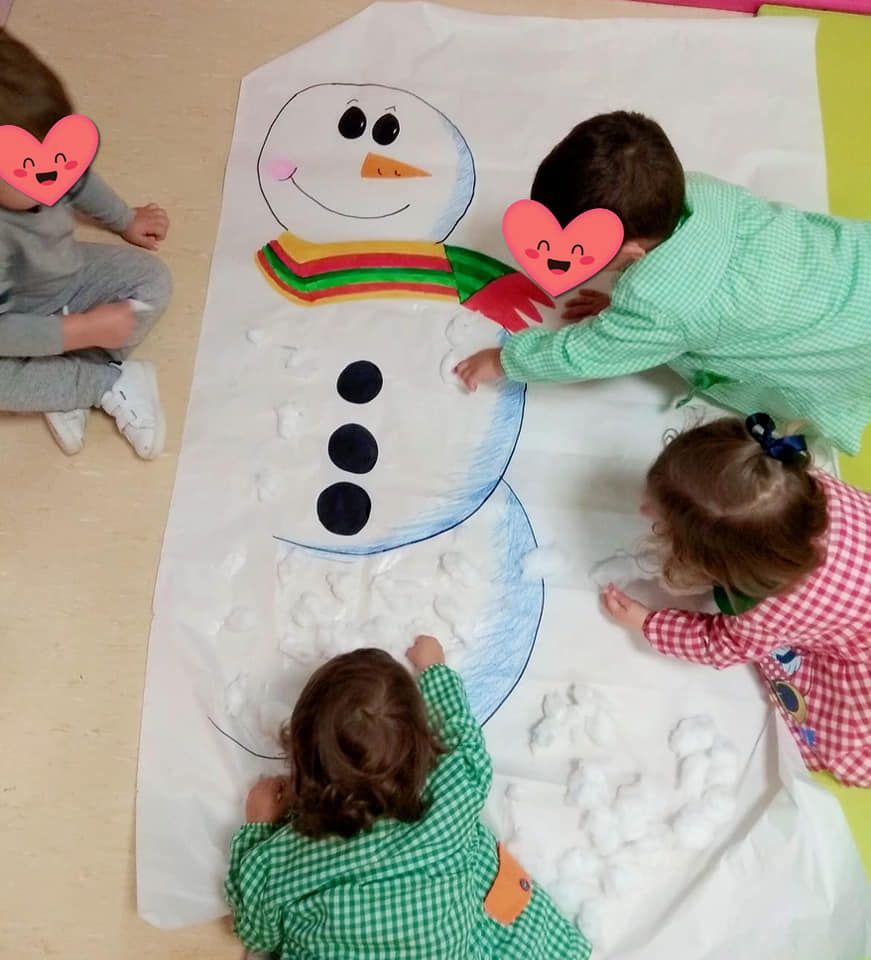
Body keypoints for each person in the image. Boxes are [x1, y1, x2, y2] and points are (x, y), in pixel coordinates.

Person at [454, 111, 871, 455]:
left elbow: (583, 354)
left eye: (580, 253)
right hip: (848, 262)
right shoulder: (701, 191)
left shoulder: (658, 307)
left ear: (632, 253)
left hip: (845, 336)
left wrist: (505, 360)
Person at [225, 638, 591, 960]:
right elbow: (463, 739)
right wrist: (435, 672)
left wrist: (258, 827)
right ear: (423, 742)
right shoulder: (453, 789)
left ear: (302, 769)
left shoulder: (286, 858)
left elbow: (256, 930)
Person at [601, 413, 871, 787]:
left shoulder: (770, 611)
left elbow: (719, 645)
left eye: (658, 518)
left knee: (837, 731)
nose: (644, 510)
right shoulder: (797, 486)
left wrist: (649, 623)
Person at [0, 29, 171, 459]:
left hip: (66, 278)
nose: (56, 177)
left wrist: (125, 220)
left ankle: (61, 382)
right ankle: (99, 383)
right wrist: (78, 331)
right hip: (12, 319)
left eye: (59, 157)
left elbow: (82, 182)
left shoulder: (45, 166)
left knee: (153, 281)